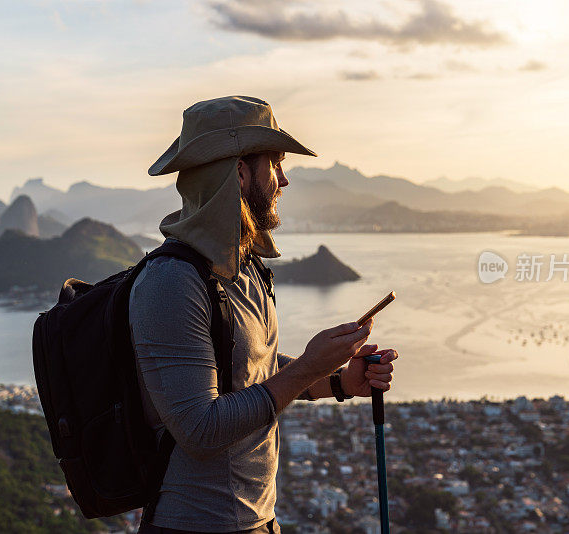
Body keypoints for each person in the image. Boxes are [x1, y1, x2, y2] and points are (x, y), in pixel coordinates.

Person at [130, 96, 398, 534]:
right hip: (196, 526)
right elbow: (199, 429)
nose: (285, 180)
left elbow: (257, 378)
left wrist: (338, 381)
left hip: (259, 520)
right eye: (275, 163)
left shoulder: (247, 268)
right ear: (238, 173)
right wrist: (310, 365)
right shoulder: (172, 283)